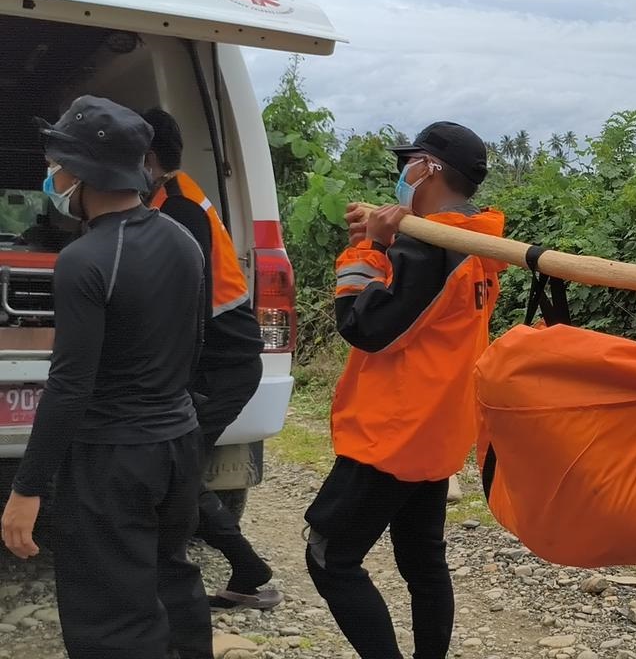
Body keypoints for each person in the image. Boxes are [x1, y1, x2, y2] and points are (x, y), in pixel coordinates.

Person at [0, 96, 212, 658]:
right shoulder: (185, 240)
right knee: (172, 582)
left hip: (113, 457)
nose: (51, 174)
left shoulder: (85, 259)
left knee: (111, 616)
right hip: (178, 444)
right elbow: (196, 344)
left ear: (82, 171)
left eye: (55, 163)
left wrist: (27, 488)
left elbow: (70, 386)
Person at [304, 121, 505, 659]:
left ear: (427, 169)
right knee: (423, 562)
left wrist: (369, 250)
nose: (401, 173)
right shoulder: (476, 242)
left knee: (329, 556)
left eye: (406, 163)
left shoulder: (432, 247)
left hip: (394, 434)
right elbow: (421, 315)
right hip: (438, 429)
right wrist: (383, 243)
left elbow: (364, 326)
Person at [141, 108, 280, 611]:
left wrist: (170, 378)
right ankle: (242, 571)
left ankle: (237, 572)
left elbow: (189, 305)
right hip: (221, 362)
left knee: (178, 469)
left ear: (147, 156)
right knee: (180, 467)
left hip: (224, 366)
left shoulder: (179, 207)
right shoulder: (174, 196)